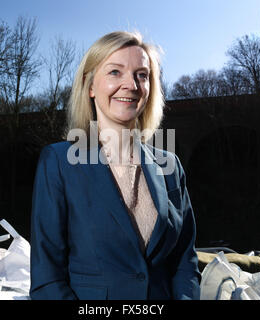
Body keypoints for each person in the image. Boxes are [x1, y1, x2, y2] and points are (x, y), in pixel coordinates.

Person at [29, 31, 200, 300]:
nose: (131, 84)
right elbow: (47, 278)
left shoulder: (170, 166)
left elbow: (184, 262)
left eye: (141, 75)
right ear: (90, 86)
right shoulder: (59, 162)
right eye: (115, 72)